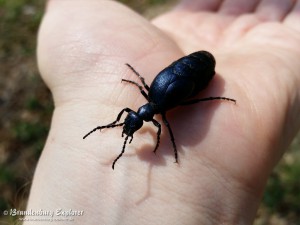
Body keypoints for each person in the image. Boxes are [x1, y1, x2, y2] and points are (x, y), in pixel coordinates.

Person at [25, 0, 300, 224]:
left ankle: (216, 96)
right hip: (199, 67)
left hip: (201, 66)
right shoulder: (153, 101)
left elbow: (162, 119)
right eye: (131, 124)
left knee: (191, 103)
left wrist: (168, 140)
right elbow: (144, 113)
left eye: (128, 123)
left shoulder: (156, 108)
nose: (129, 125)